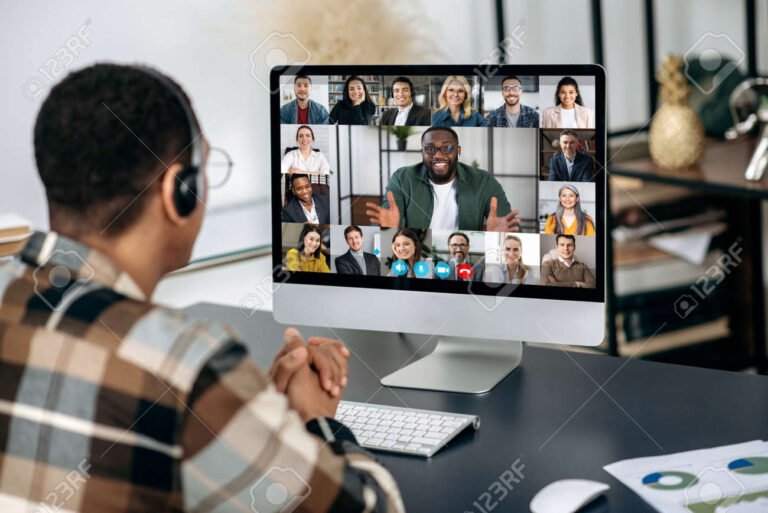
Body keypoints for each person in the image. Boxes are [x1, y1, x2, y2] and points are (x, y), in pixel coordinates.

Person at [0, 63, 404, 512]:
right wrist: (312, 422)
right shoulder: (188, 368)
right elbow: (373, 507)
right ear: (180, 191)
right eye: (204, 166)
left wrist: (247, 414)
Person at [365, 126, 520, 232]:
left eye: (447, 148)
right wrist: (388, 230)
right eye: (430, 149)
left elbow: (509, 228)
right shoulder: (401, 178)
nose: (438, 155)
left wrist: (495, 237)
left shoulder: (484, 182)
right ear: (422, 152)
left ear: (458, 151)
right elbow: (380, 230)